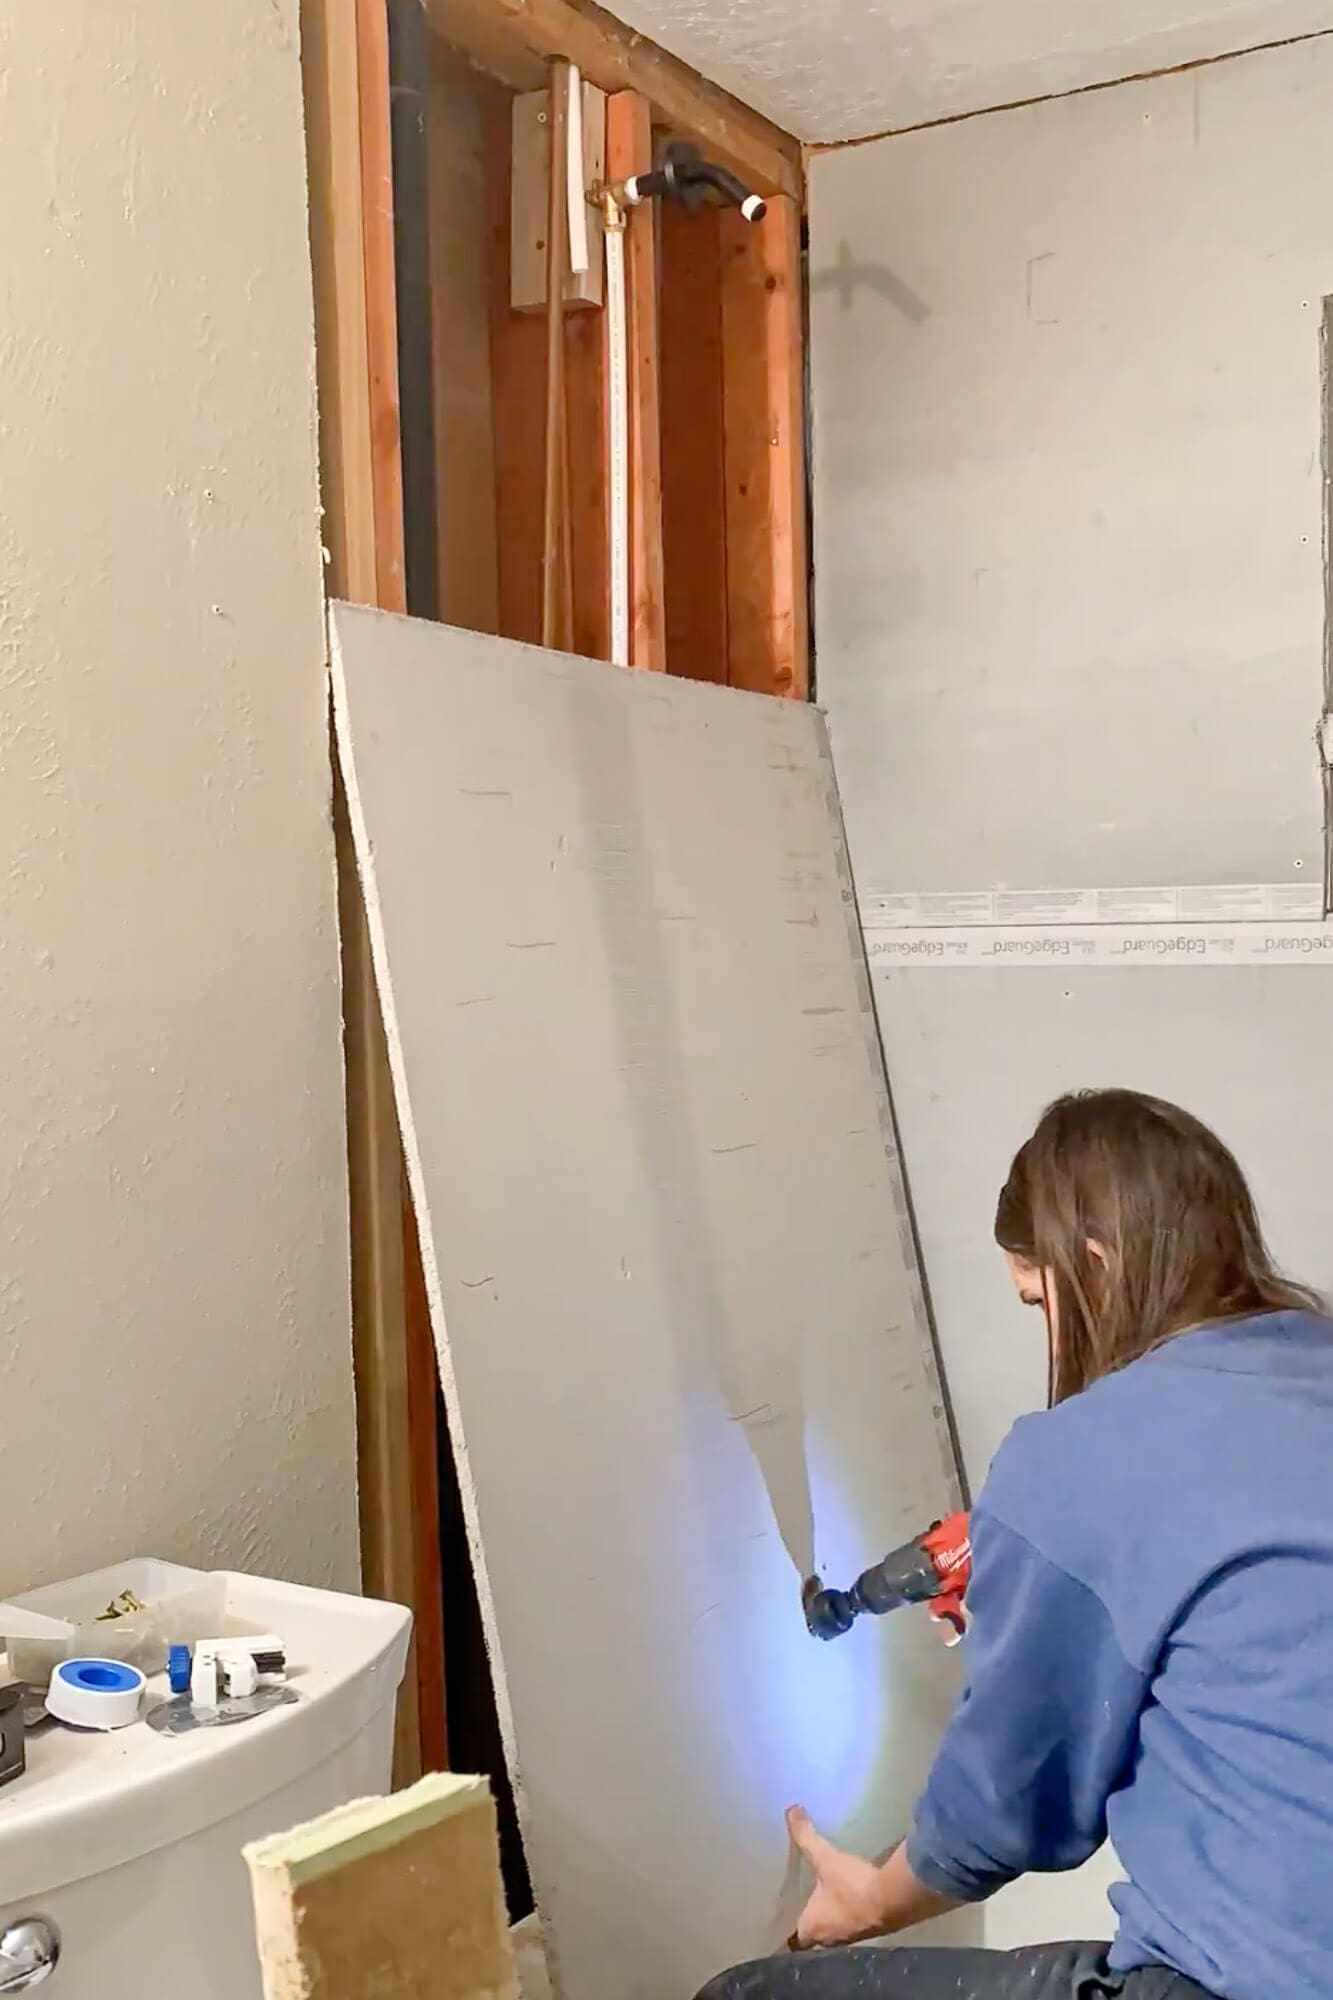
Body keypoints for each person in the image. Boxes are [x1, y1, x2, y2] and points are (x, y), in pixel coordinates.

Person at [696, 1089, 1333, 2000]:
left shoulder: (1082, 1454)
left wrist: (867, 1899)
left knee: (741, 1997)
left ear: (1095, 1262)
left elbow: (1011, 1803)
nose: (1049, 1326)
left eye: (1039, 1298)